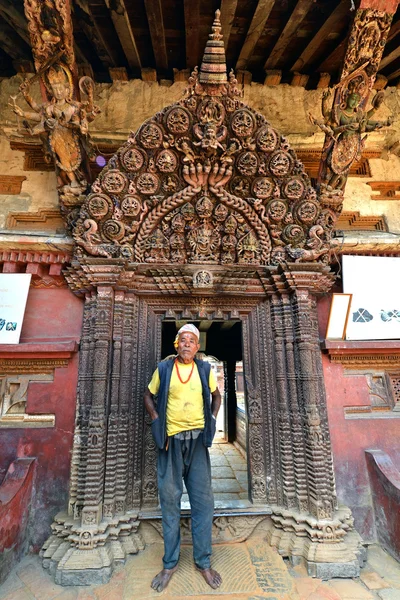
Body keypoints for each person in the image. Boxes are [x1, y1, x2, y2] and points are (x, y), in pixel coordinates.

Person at [143, 324, 222, 593]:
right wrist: (156, 420)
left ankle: (203, 562)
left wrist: (211, 419)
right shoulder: (164, 369)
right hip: (171, 444)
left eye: (192, 341)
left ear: (197, 347)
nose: (187, 344)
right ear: (176, 345)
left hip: (197, 443)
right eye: (183, 340)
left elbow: (216, 395)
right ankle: (169, 564)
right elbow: (148, 394)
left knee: (203, 502)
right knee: (170, 500)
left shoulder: (204, 370)